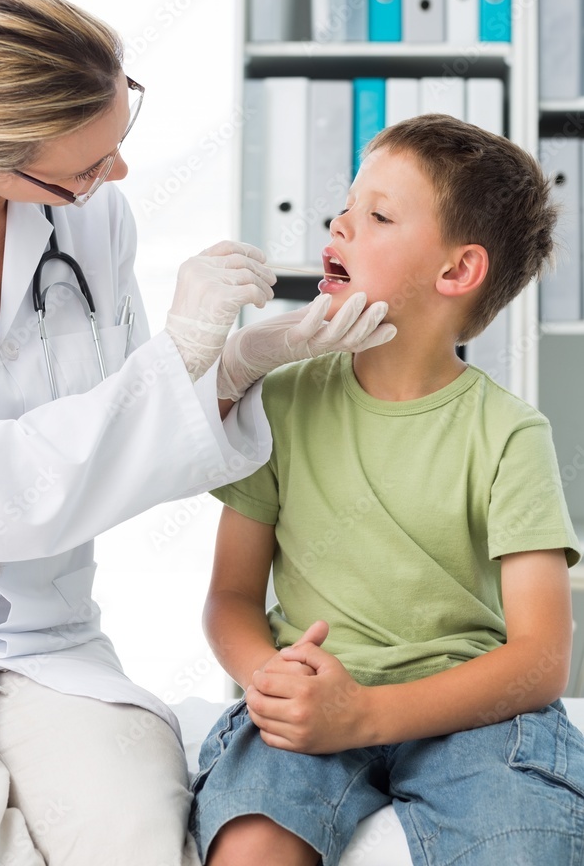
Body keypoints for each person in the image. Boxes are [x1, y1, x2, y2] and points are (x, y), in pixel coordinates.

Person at [0, 0, 394, 866]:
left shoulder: (89, 215)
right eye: (84, 168)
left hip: (52, 640)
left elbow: (127, 436)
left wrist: (236, 363)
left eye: (118, 136)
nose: (116, 179)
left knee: (138, 841)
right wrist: (175, 357)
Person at [190, 113, 584, 866]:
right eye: (342, 208)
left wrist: (366, 715)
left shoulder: (508, 433)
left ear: (456, 272)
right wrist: (266, 679)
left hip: (472, 716)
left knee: (523, 845)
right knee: (248, 843)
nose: (337, 224)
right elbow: (230, 599)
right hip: (310, 697)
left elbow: (540, 660)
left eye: (375, 215)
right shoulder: (281, 401)